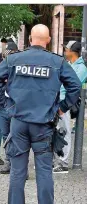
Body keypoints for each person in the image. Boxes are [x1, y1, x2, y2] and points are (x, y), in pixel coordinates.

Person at [0, 24, 81, 204]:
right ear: (47, 40)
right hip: (44, 124)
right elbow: (75, 86)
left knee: (17, 172)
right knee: (44, 172)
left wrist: (7, 106)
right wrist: (62, 108)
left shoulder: (14, 59)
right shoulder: (57, 62)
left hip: (19, 122)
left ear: (30, 39)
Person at [53, 41, 87, 173]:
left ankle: (63, 162)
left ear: (73, 51)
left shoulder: (81, 68)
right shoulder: (67, 65)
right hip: (56, 101)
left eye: (66, 49)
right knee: (54, 131)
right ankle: (54, 161)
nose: (64, 51)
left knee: (64, 131)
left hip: (65, 104)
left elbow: (72, 85)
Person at [0, 41, 19, 174]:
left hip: (16, 105)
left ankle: (18, 164)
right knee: (5, 135)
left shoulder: (21, 65)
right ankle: (8, 161)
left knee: (17, 136)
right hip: (5, 104)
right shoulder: (4, 64)